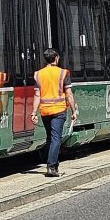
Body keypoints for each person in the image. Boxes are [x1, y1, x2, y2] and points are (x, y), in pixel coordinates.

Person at [31, 48, 78, 177]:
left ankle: (53, 164)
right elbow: (68, 93)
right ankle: (51, 167)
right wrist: (74, 111)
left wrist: (33, 113)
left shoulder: (38, 74)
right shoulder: (63, 73)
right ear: (56, 58)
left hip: (45, 111)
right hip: (59, 110)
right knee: (56, 138)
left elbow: (36, 95)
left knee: (50, 138)